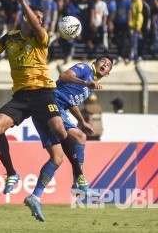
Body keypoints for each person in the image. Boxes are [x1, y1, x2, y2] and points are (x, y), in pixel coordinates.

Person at [0, 0, 89, 222]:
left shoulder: (41, 37)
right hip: (21, 96)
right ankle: (12, 173)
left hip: (42, 92)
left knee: (59, 129)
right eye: (37, 17)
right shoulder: (8, 38)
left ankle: (78, 174)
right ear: (24, 18)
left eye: (41, 18)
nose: (41, 21)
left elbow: (37, 24)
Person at [33, 56, 113, 192]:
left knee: (57, 158)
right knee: (79, 136)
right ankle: (78, 183)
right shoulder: (86, 68)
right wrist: (85, 83)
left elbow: (71, 103)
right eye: (103, 61)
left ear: (107, 74)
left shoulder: (90, 84)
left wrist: (82, 121)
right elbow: (64, 75)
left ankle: (35, 196)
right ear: (95, 62)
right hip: (51, 103)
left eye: (108, 65)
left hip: (49, 109)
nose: (105, 64)